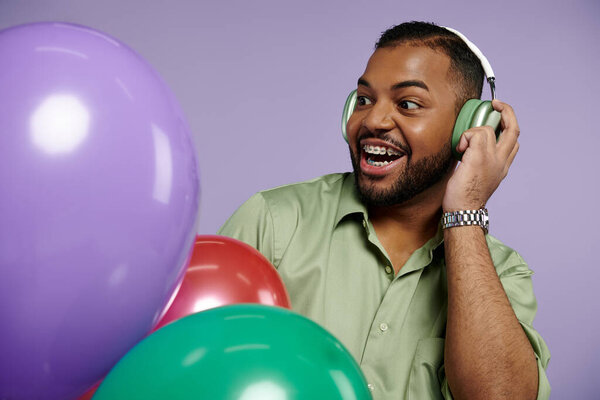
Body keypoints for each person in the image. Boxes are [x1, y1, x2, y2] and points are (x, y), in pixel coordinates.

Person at [218, 21, 550, 399]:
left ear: (470, 128)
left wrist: (465, 212)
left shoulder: (503, 273)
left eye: (407, 104)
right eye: (363, 99)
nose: (373, 121)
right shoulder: (273, 223)